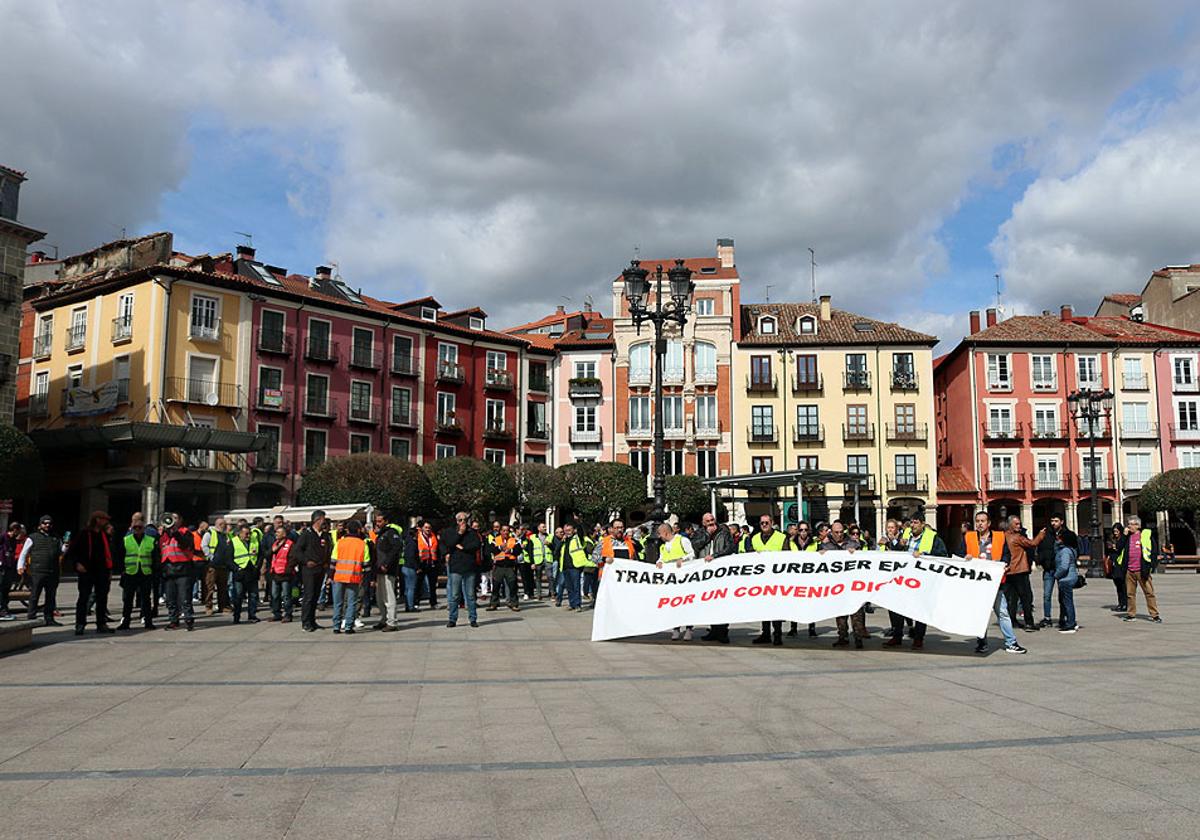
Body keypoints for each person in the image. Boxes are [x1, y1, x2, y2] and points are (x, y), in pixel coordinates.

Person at [963, 511, 1025, 654]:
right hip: (977, 583)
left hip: (996, 583)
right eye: (977, 521)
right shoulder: (968, 537)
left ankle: (1011, 642)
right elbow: (960, 554)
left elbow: (1006, 555)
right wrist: (964, 557)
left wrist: (1005, 564)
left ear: (989, 523)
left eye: (982, 521)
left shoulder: (999, 537)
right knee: (980, 614)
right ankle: (981, 642)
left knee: (1002, 612)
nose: (979, 523)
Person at [887, 515, 946, 650]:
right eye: (911, 523)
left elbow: (942, 555)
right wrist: (898, 545)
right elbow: (895, 554)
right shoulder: (905, 536)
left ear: (923, 524)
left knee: (920, 609)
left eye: (916, 523)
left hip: (922, 579)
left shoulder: (933, 538)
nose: (913, 525)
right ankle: (897, 635)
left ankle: (918, 638)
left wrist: (924, 555)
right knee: (896, 607)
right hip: (903, 578)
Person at [821, 520, 865, 649]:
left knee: (856, 613)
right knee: (840, 612)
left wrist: (855, 553)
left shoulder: (853, 543)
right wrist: (821, 555)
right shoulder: (826, 546)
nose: (839, 534)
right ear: (831, 532)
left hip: (853, 584)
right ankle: (842, 636)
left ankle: (858, 637)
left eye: (841, 532)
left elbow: (864, 559)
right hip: (837, 585)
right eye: (836, 532)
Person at [746, 514, 789, 646]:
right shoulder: (754, 538)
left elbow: (787, 556)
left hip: (776, 579)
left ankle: (777, 635)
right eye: (762, 523)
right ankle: (765, 633)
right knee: (763, 608)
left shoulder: (782, 537)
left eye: (766, 523)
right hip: (761, 580)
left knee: (776, 608)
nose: (764, 525)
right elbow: (749, 556)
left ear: (772, 523)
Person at [69, 511, 114, 635]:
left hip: (102, 571)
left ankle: (101, 624)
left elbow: (108, 554)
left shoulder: (104, 535)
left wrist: (109, 570)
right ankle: (80, 624)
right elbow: (72, 551)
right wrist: (77, 564)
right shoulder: (84, 534)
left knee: (102, 598)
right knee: (83, 597)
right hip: (87, 571)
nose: (106, 522)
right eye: (104, 519)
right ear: (97, 520)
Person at [695, 513, 737, 643]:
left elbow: (730, 548)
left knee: (722, 602)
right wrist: (707, 535)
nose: (710, 522)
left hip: (721, 572)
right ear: (703, 523)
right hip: (706, 573)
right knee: (709, 603)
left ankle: (723, 631)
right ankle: (713, 630)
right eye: (707, 521)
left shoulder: (724, 531)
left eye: (712, 520)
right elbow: (695, 546)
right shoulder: (700, 533)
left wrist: (716, 555)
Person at [1004, 515, 1046, 632]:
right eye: (1016, 524)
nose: (1019, 526)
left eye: (1019, 523)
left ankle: (1012, 620)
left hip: (1009, 571)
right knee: (1025, 597)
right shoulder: (1017, 537)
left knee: (1012, 598)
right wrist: (1040, 535)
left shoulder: (1004, 536)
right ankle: (1029, 622)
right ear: (1010, 525)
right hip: (1019, 570)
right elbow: (1032, 543)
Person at [1116, 516, 1162, 623]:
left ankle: (1154, 615)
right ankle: (1131, 614)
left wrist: (1151, 566)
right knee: (1130, 594)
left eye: (1132, 524)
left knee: (1149, 593)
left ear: (1138, 526)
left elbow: (1154, 551)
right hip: (1129, 570)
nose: (1129, 526)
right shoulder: (1127, 537)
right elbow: (1118, 547)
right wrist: (1124, 536)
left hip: (1142, 570)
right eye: (1128, 524)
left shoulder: (1145, 536)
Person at [20, 515, 63, 626]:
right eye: (45, 523)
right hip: (38, 570)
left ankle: (49, 618)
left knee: (51, 596)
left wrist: (66, 546)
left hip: (53, 571)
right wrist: (20, 566)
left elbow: (61, 551)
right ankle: (31, 616)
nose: (47, 525)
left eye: (49, 523)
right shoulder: (32, 537)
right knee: (35, 594)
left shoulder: (56, 537)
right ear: (40, 525)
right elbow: (24, 552)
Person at [654, 522, 695, 640]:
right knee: (673, 604)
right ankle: (676, 629)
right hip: (671, 581)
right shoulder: (663, 546)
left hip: (684, 579)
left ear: (666, 532)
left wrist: (683, 559)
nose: (659, 536)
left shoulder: (682, 540)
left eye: (660, 534)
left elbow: (692, 554)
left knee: (686, 604)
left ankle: (688, 629)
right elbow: (661, 558)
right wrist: (659, 562)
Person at [440, 512, 482, 628]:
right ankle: (452, 619)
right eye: (460, 520)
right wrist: (459, 534)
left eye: (465, 519)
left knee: (470, 595)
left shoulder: (472, 533)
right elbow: (448, 543)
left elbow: (476, 545)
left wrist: (463, 547)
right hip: (456, 566)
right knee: (454, 595)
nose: (462, 522)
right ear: (456, 521)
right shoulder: (450, 532)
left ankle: (473, 618)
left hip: (469, 566)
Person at [117, 516, 157, 630]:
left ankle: (148, 621)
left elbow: (155, 557)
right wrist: (122, 570)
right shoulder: (126, 540)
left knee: (146, 599)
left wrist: (154, 571)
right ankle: (125, 621)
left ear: (144, 528)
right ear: (131, 528)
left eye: (140, 527)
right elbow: (120, 556)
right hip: (130, 573)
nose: (137, 529)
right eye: (135, 527)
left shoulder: (150, 540)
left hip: (145, 573)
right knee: (128, 599)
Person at [294, 510, 331, 632]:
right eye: (323, 519)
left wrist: (326, 562)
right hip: (309, 569)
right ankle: (305, 622)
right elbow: (297, 551)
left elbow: (328, 549)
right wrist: (305, 561)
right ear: (317, 520)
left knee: (315, 595)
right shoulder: (306, 534)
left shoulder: (325, 535)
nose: (324, 522)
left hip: (320, 568)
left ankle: (312, 620)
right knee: (308, 596)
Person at [159, 514, 196, 631]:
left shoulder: (186, 532)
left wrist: (175, 533)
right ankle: (173, 620)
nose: (172, 521)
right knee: (170, 599)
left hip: (183, 569)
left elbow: (186, 544)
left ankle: (189, 619)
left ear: (180, 520)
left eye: (175, 518)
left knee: (185, 597)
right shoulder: (164, 535)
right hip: (168, 570)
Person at [1042, 515, 1080, 630]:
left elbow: (1064, 565)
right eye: (1052, 520)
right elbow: (1042, 548)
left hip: (1061, 573)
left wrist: (1057, 574)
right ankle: (1048, 618)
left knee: (1064, 598)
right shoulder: (1046, 533)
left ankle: (1066, 620)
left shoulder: (1066, 540)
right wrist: (1042, 560)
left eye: (1056, 521)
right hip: (1049, 568)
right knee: (1047, 595)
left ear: (1062, 522)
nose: (1053, 523)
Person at [330, 519, 367, 634]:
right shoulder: (362, 544)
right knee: (352, 602)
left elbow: (333, 561)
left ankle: (336, 626)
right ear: (358, 530)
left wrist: (330, 576)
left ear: (347, 529)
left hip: (338, 576)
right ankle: (348, 626)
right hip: (354, 577)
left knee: (338, 602)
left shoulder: (340, 542)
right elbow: (367, 564)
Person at [371, 511, 405, 631]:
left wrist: (387, 563)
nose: (378, 523)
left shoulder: (391, 533)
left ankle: (392, 622)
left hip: (387, 569)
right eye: (376, 521)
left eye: (380, 521)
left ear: (386, 521)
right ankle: (384, 619)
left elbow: (397, 548)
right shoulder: (381, 534)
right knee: (380, 597)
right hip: (379, 569)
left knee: (389, 596)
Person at [555, 523, 591, 612]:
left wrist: (578, 521)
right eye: (565, 531)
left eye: (569, 530)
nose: (567, 532)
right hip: (565, 566)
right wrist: (561, 542)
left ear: (574, 530)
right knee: (569, 587)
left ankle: (578, 604)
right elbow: (556, 551)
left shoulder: (578, 538)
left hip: (575, 566)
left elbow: (581, 531)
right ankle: (572, 604)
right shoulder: (564, 541)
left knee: (576, 586)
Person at [486, 524, 521, 612]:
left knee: (512, 585)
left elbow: (518, 550)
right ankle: (494, 603)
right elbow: (491, 549)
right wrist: (499, 547)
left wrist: (511, 550)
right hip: (499, 566)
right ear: (500, 531)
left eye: (507, 531)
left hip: (510, 566)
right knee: (496, 586)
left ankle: (514, 604)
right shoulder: (496, 540)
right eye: (504, 530)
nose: (505, 532)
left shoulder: (513, 540)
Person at [202, 517, 233, 616]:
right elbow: (204, 546)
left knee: (223, 588)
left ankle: (222, 606)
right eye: (224, 524)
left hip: (223, 566)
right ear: (219, 524)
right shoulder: (210, 534)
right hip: (212, 566)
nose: (225, 526)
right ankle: (209, 607)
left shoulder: (225, 536)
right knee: (209, 588)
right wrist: (210, 557)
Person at [267, 525, 297, 622]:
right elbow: (268, 555)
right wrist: (273, 550)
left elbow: (293, 558)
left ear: (284, 534)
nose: (276, 534)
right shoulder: (275, 544)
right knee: (275, 595)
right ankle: (277, 613)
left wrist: (288, 569)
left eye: (278, 532)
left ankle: (288, 614)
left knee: (286, 595)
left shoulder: (290, 544)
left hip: (285, 573)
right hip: (275, 573)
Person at [409, 520, 439, 611]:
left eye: (429, 528)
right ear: (422, 528)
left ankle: (433, 603)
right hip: (421, 563)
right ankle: (416, 602)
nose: (428, 529)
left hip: (432, 563)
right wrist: (416, 565)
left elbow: (437, 550)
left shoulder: (434, 537)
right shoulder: (417, 536)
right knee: (418, 584)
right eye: (426, 527)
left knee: (432, 585)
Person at [525, 522, 552, 601]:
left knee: (550, 577)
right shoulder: (533, 537)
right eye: (543, 527)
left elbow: (553, 547)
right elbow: (529, 550)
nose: (545, 528)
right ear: (538, 528)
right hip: (538, 561)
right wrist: (532, 562)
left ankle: (552, 593)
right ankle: (539, 595)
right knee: (538, 578)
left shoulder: (550, 536)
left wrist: (549, 544)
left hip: (547, 559)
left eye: (545, 527)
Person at [1103, 524, 1128, 613]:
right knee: (1117, 585)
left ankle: (1125, 603)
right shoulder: (1112, 539)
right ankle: (1120, 603)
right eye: (1114, 532)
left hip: (1121, 564)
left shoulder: (1124, 538)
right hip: (1113, 564)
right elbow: (1109, 547)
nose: (1115, 533)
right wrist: (1114, 547)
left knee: (1123, 585)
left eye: (1117, 531)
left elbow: (1119, 547)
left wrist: (1116, 546)